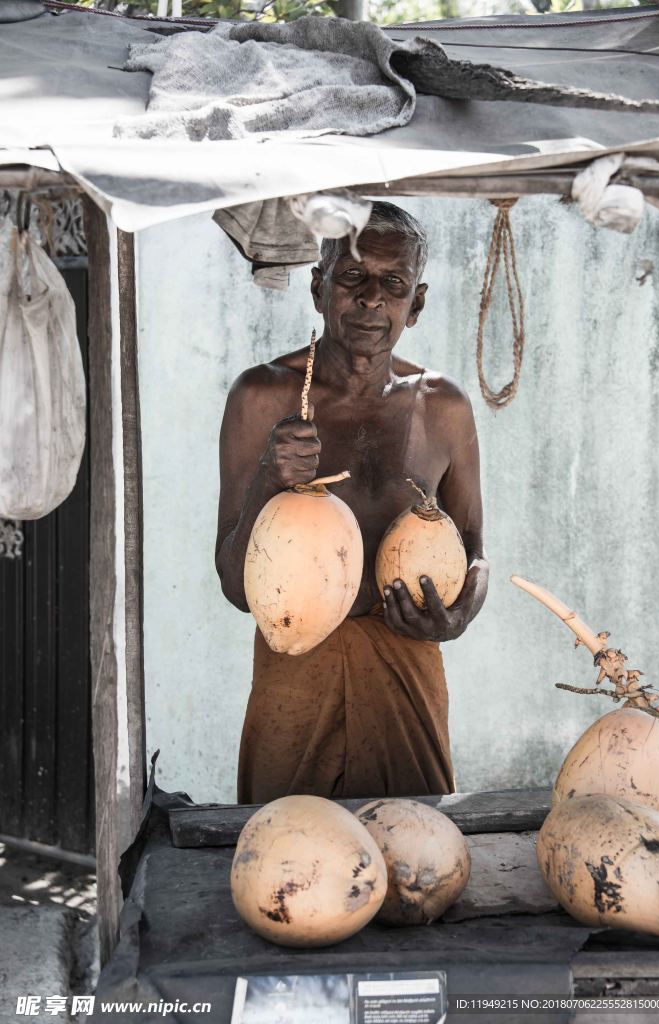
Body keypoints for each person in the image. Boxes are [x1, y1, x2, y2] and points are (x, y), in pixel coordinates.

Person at [215, 201, 489, 803]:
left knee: (417, 865)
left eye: (393, 285)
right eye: (351, 276)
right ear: (318, 287)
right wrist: (268, 475)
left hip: (409, 670)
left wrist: (459, 615)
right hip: (294, 670)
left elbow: (474, 554)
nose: (370, 300)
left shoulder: (444, 407)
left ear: (415, 304)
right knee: (287, 869)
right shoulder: (263, 397)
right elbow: (237, 589)